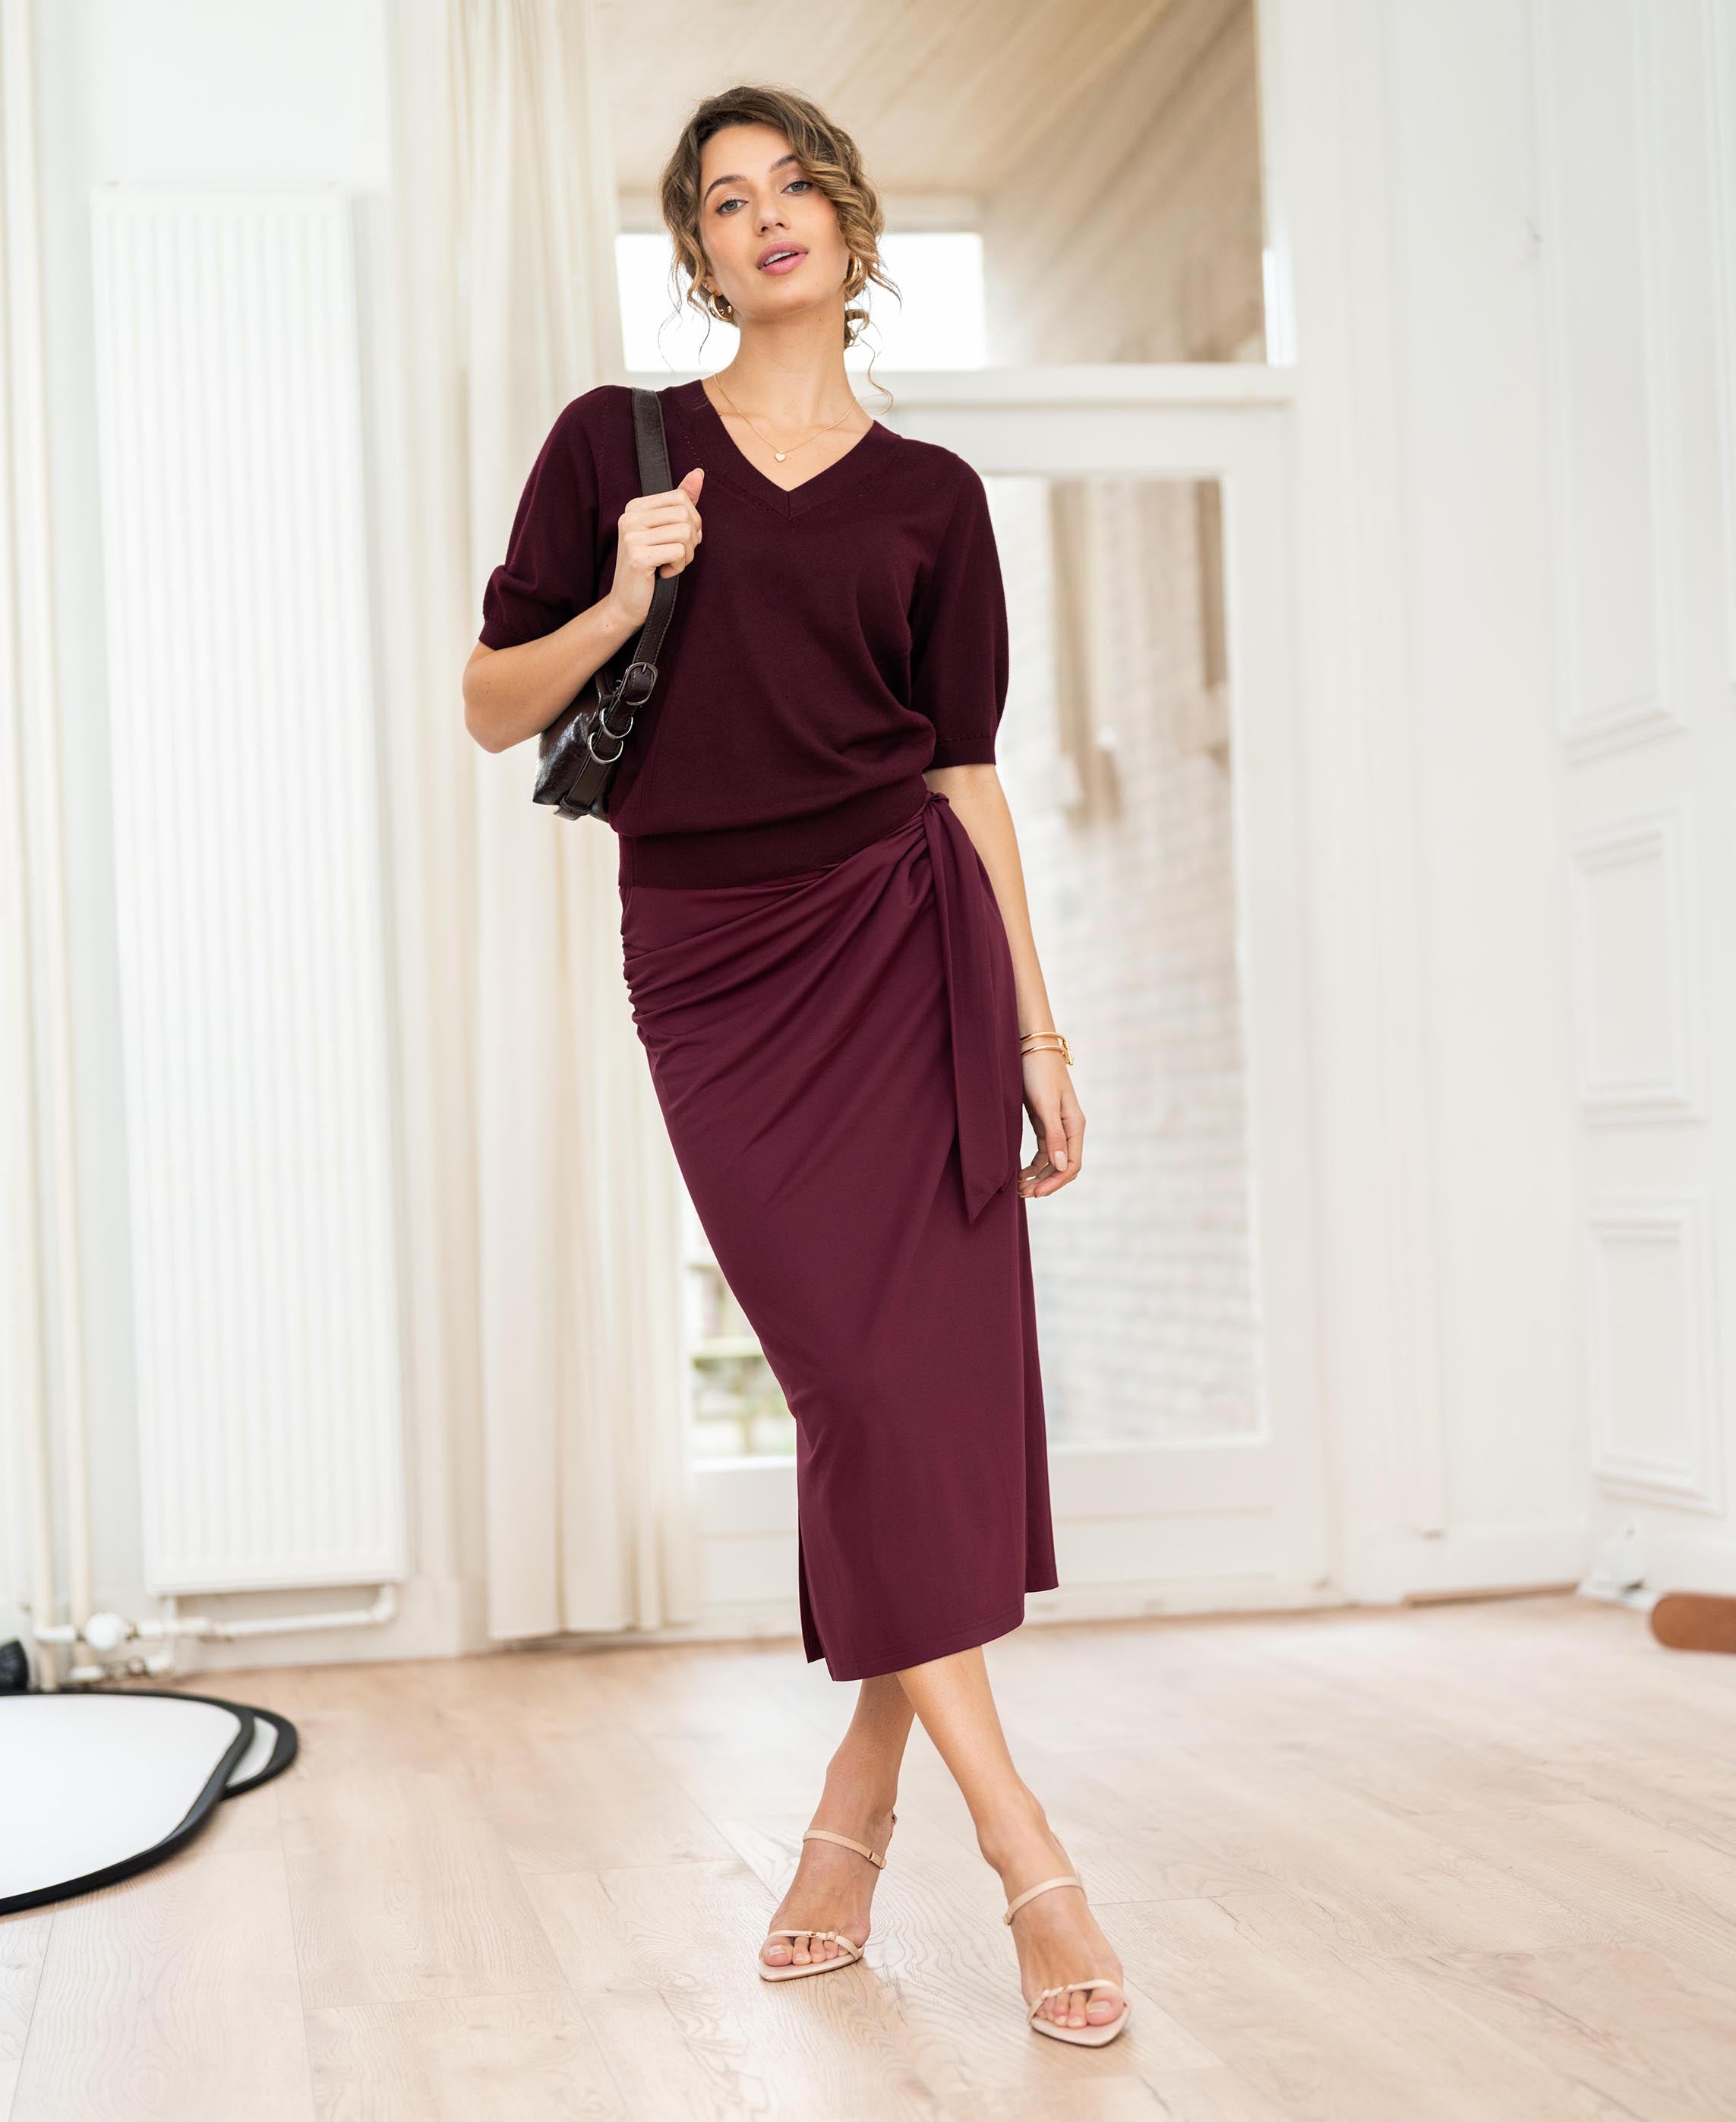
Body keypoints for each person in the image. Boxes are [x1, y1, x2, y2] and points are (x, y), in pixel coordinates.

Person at [462, 84, 1126, 2049]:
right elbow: (493, 700)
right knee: (849, 1375)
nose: (766, 221)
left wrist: (1033, 1014)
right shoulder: (618, 445)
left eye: (794, 189)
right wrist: (619, 588)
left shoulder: (933, 500)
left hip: (903, 932)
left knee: (897, 1400)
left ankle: (861, 1812)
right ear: (695, 250)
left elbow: (965, 769)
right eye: (724, 202)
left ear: (848, 220)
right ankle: (1027, 1843)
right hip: (716, 960)